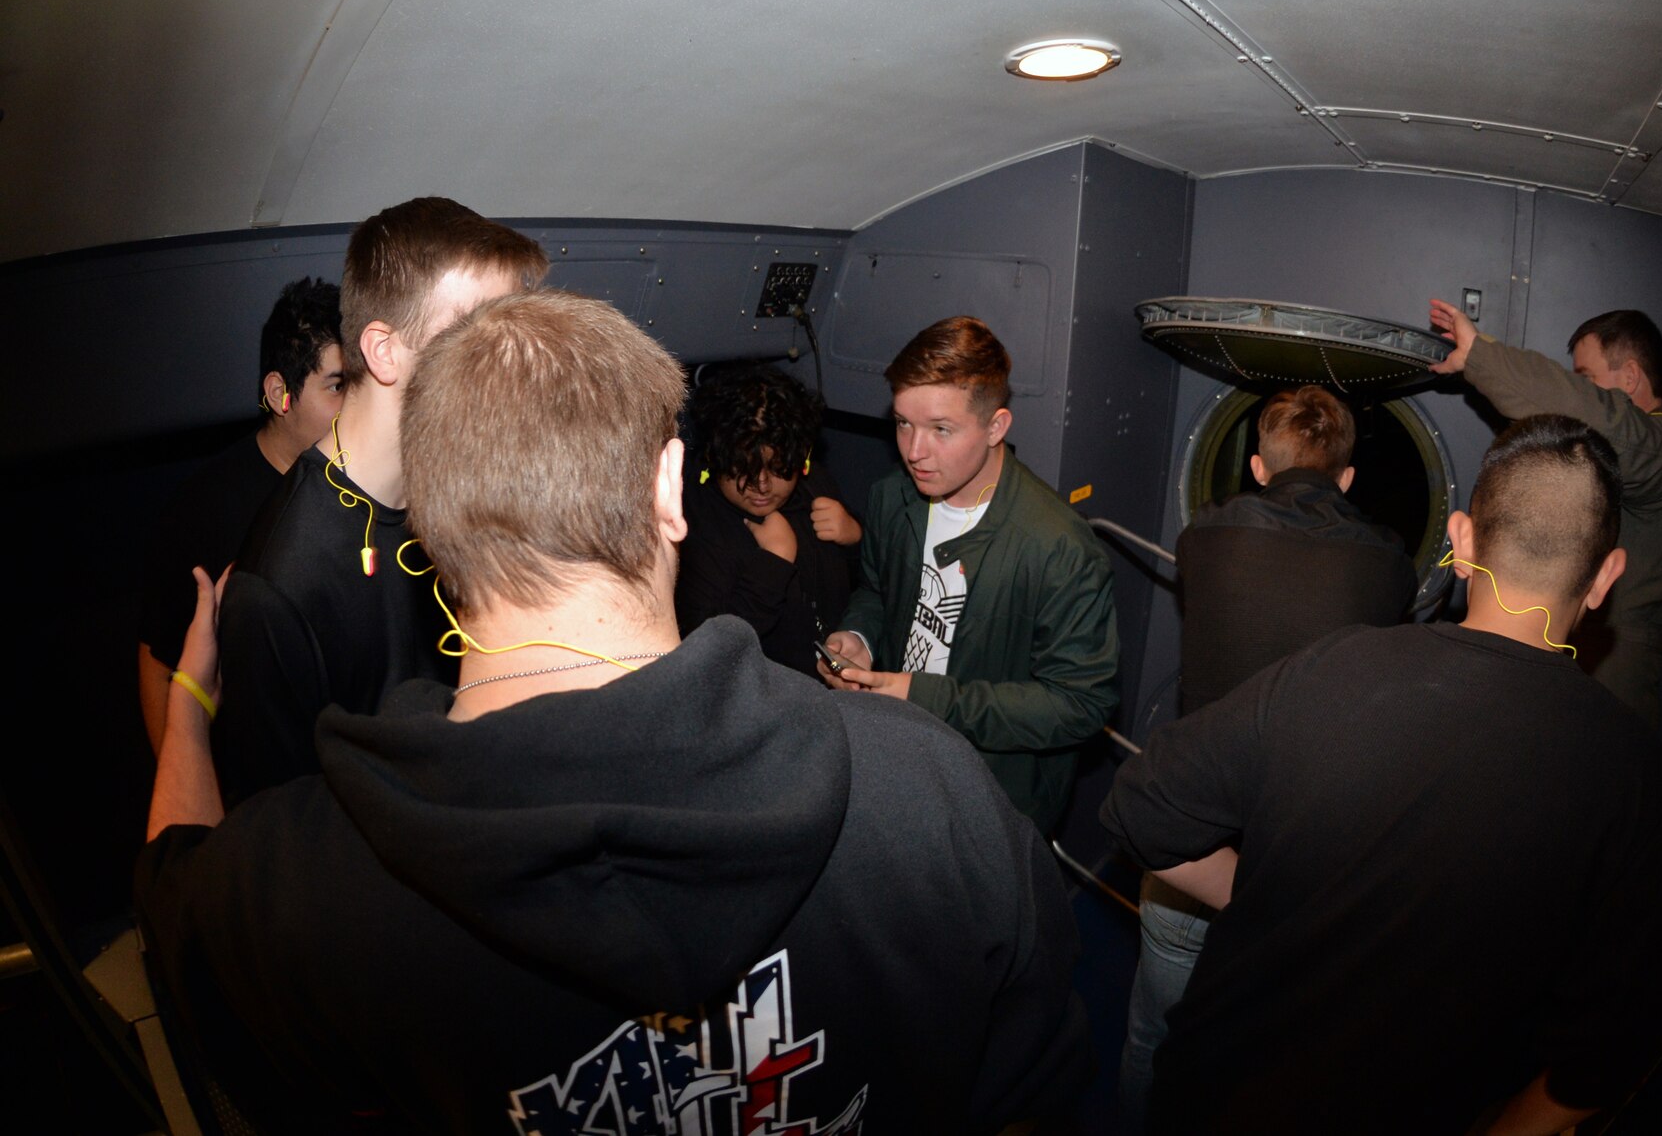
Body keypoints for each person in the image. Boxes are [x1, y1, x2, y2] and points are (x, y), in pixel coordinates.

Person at [138, 291, 1091, 1134]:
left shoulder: (310, 880)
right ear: (671, 490)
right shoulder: (932, 785)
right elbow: (1030, 1087)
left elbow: (173, 897)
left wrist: (188, 705)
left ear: (428, 524)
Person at [1101, 415, 1662, 1135]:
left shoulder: (1333, 666)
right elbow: (1605, 1057)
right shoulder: (1634, 779)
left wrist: (1256, 890)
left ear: (1464, 542)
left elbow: (1138, 805)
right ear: (1606, 576)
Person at [1119, 383, 1414, 1127]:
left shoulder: (1208, 536)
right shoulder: (1389, 566)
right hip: (1299, 864)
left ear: (1256, 466)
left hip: (1192, 845)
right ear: (1348, 477)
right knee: (1266, 1060)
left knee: (1155, 1036)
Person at [210, 198, 547, 805]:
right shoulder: (280, 583)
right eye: (479, 331)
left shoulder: (469, 485)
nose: (510, 359)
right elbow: (280, 826)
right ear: (384, 351)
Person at [820, 316, 1119, 834]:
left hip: (988, 798)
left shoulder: (1059, 547)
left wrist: (925, 696)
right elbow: (875, 589)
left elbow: (1080, 704)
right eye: (902, 423)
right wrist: (860, 636)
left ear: (996, 426)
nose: (914, 451)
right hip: (893, 758)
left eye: (940, 429)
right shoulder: (891, 498)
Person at [1428, 298, 1662, 725]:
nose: (1583, 392)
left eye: (1588, 379)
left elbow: (1601, 419)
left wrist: (1482, 357)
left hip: (1609, 688)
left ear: (1631, 376)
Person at [136, 277, 344, 756]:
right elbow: (158, 661)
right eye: (337, 386)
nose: (355, 406)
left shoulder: (363, 488)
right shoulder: (201, 512)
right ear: (280, 394)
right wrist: (189, 814)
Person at [675, 365, 861, 677]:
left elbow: (865, 586)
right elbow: (707, 656)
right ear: (713, 456)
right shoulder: (688, 527)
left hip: (827, 687)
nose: (762, 486)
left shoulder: (813, 483)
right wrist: (773, 563)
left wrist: (854, 537)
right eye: (742, 468)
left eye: (778, 468)